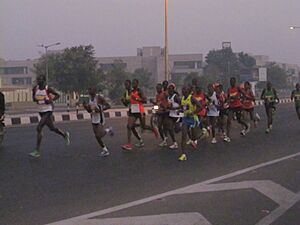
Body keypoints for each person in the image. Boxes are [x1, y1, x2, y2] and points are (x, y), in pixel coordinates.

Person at [30, 76, 70, 158]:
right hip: (41, 110)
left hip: (48, 110)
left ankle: (37, 150)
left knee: (39, 127)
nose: (38, 81)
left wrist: (50, 100)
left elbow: (58, 95)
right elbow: (33, 99)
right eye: (37, 80)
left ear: (44, 81)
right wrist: (37, 99)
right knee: (52, 128)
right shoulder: (35, 88)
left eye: (40, 80)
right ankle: (64, 135)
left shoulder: (48, 89)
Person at [122, 79, 157, 151]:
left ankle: (153, 129)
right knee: (129, 126)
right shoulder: (130, 92)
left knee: (143, 126)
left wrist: (137, 99)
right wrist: (124, 101)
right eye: (133, 83)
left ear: (137, 84)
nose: (133, 85)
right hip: (133, 111)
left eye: (135, 83)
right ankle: (129, 144)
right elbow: (126, 104)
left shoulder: (139, 91)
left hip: (140, 111)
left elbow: (145, 100)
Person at [83, 87, 113, 157]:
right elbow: (90, 111)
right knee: (97, 137)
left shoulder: (99, 98)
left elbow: (108, 106)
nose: (89, 90)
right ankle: (105, 150)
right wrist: (85, 106)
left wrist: (100, 110)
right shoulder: (90, 99)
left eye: (91, 89)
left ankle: (108, 130)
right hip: (93, 119)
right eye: (89, 89)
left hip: (100, 118)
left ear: (95, 90)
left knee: (98, 135)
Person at [179, 86, 201, 161]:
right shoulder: (182, 99)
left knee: (194, 136)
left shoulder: (192, 98)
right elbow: (183, 108)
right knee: (183, 135)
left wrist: (192, 113)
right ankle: (183, 154)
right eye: (182, 90)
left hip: (193, 118)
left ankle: (200, 136)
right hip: (185, 118)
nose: (183, 91)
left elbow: (200, 107)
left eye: (184, 90)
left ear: (188, 91)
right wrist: (180, 111)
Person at [166, 83, 181, 149]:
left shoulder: (175, 96)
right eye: (168, 89)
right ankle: (174, 143)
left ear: (173, 90)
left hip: (177, 115)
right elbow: (169, 105)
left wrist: (175, 108)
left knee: (176, 130)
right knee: (169, 128)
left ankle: (185, 127)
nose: (169, 90)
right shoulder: (168, 97)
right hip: (171, 115)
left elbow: (182, 105)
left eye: (170, 89)